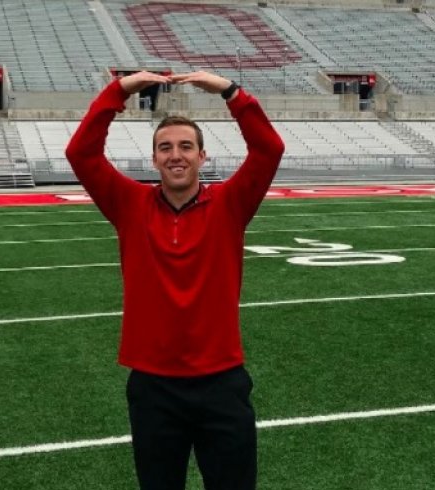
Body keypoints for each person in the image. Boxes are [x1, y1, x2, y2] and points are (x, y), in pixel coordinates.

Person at [65, 70, 285, 490]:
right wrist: (120, 90)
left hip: (221, 382)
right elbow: (82, 154)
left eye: (186, 146)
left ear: (203, 157)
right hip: (153, 387)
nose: (175, 155)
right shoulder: (129, 204)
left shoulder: (230, 204)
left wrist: (230, 92)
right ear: (154, 160)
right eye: (165, 148)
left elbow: (268, 149)